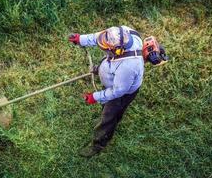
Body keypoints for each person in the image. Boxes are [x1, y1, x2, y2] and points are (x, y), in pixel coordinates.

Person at [69, 26, 162, 158]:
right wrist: (81, 39)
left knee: (109, 117)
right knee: (109, 108)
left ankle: (99, 143)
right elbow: (99, 37)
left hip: (121, 94)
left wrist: (95, 97)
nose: (101, 45)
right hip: (115, 78)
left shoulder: (129, 67)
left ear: (118, 50)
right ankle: (112, 114)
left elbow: (117, 91)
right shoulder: (121, 33)